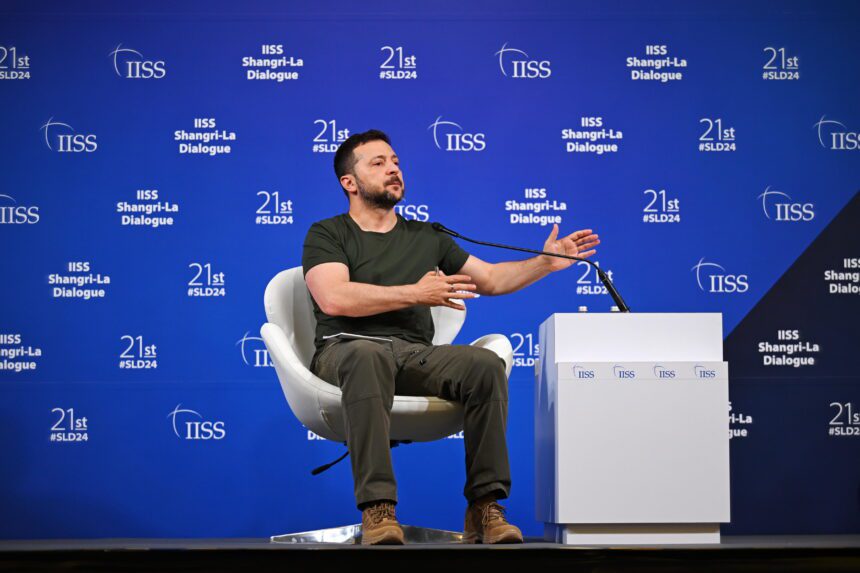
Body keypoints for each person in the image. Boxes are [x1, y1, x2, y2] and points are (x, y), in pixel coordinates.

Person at [302, 129, 599, 545]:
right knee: (367, 356)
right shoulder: (328, 233)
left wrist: (544, 263)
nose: (393, 169)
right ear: (349, 183)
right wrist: (415, 293)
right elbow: (333, 297)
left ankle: (485, 506)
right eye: (378, 163)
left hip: (412, 355)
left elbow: (492, 279)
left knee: (484, 366)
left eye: (396, 162)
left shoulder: (427, 237)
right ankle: (378, 509)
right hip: (345, 352)